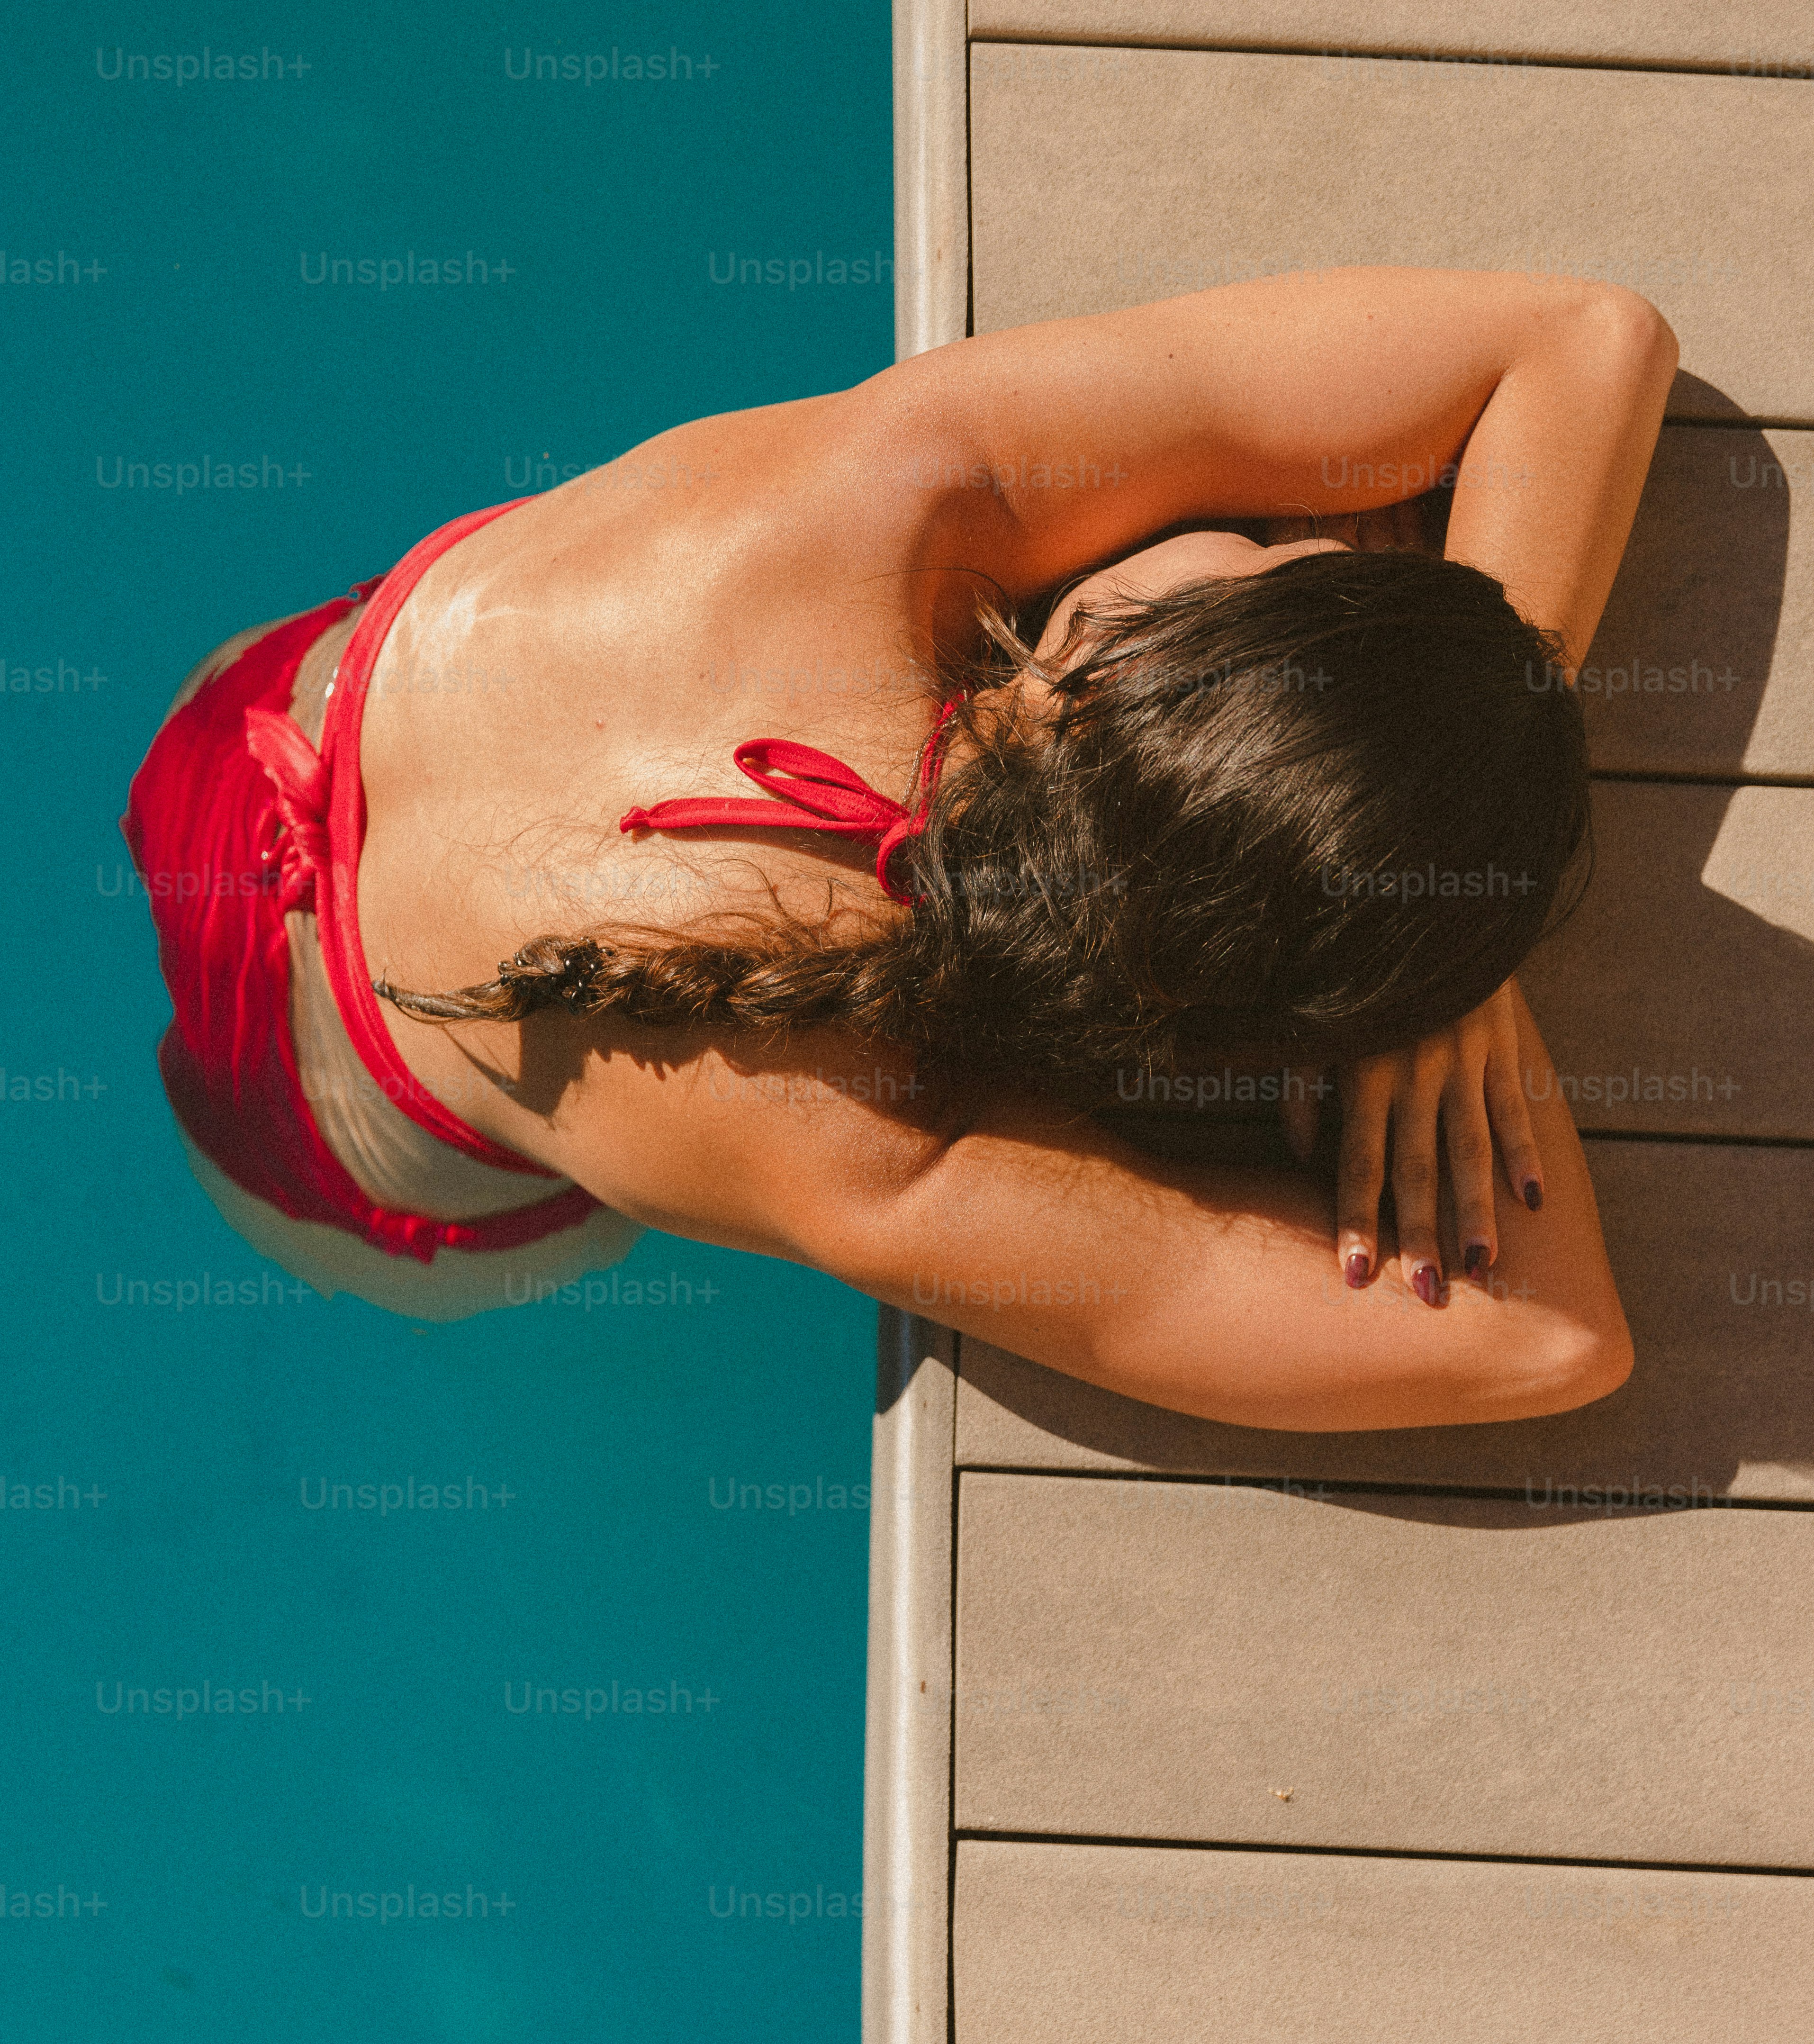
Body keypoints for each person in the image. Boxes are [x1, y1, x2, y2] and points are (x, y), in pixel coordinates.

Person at [125, 265, 1675, 1419]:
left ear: (1106, 636)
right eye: (1304, 551)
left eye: (1278, 562)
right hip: (314, 1124)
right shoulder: (870, 1151)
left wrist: (1422, 864)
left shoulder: (902, 491)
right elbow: (1546, 1337)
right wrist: (1438, 960)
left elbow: (1581, 340)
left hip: (262, 716)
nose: (1296, 529)